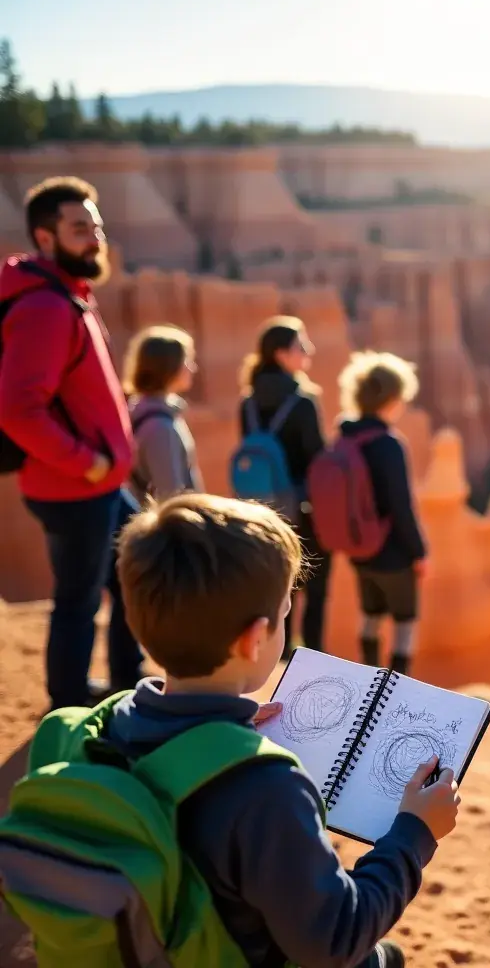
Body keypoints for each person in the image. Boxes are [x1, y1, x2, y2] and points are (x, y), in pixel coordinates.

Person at [103, 492, 459, 967]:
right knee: (376, 959)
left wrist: (217, 732)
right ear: (254, 639)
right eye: (285, 612)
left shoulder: (113, 724)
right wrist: (414, 833)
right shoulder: (266, 790)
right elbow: (335, 939)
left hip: (150, 939)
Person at [0, 176, 142, 710]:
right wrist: (87, 463)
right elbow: (18, 410)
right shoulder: (45, 307)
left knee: (134, 575)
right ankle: (68, 705)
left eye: (96, 227)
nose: (95, 239)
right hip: (74, 487)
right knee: (79, 601)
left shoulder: (68, 293)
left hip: (95, 484)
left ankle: (127, 684)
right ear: (45, 237)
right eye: (80, 228)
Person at [238, 316, 331, 652]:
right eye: (301, 346)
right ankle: (313, 659)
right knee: (316, 588)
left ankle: (278, 653)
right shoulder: (302, 402)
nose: (309, 351)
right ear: (280, 354)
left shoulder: (248, 403)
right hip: (303, 508)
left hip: (262, 511)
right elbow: (317, 461)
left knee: (280, 587)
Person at [336, 351, 427, 677]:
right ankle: (397, 685)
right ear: (391, 398)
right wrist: (419, 551)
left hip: (360, 551)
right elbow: (401, 506)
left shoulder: (346, 437)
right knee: (405, 621)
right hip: (394, 553)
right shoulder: (389, 444)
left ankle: (368, 679)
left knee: (370, 615)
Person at [123, 324, 204, 503]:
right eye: (187, 361)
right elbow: (171, 495)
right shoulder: (159, 427)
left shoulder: (155, 413)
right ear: (169, 367)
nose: (193, 368)